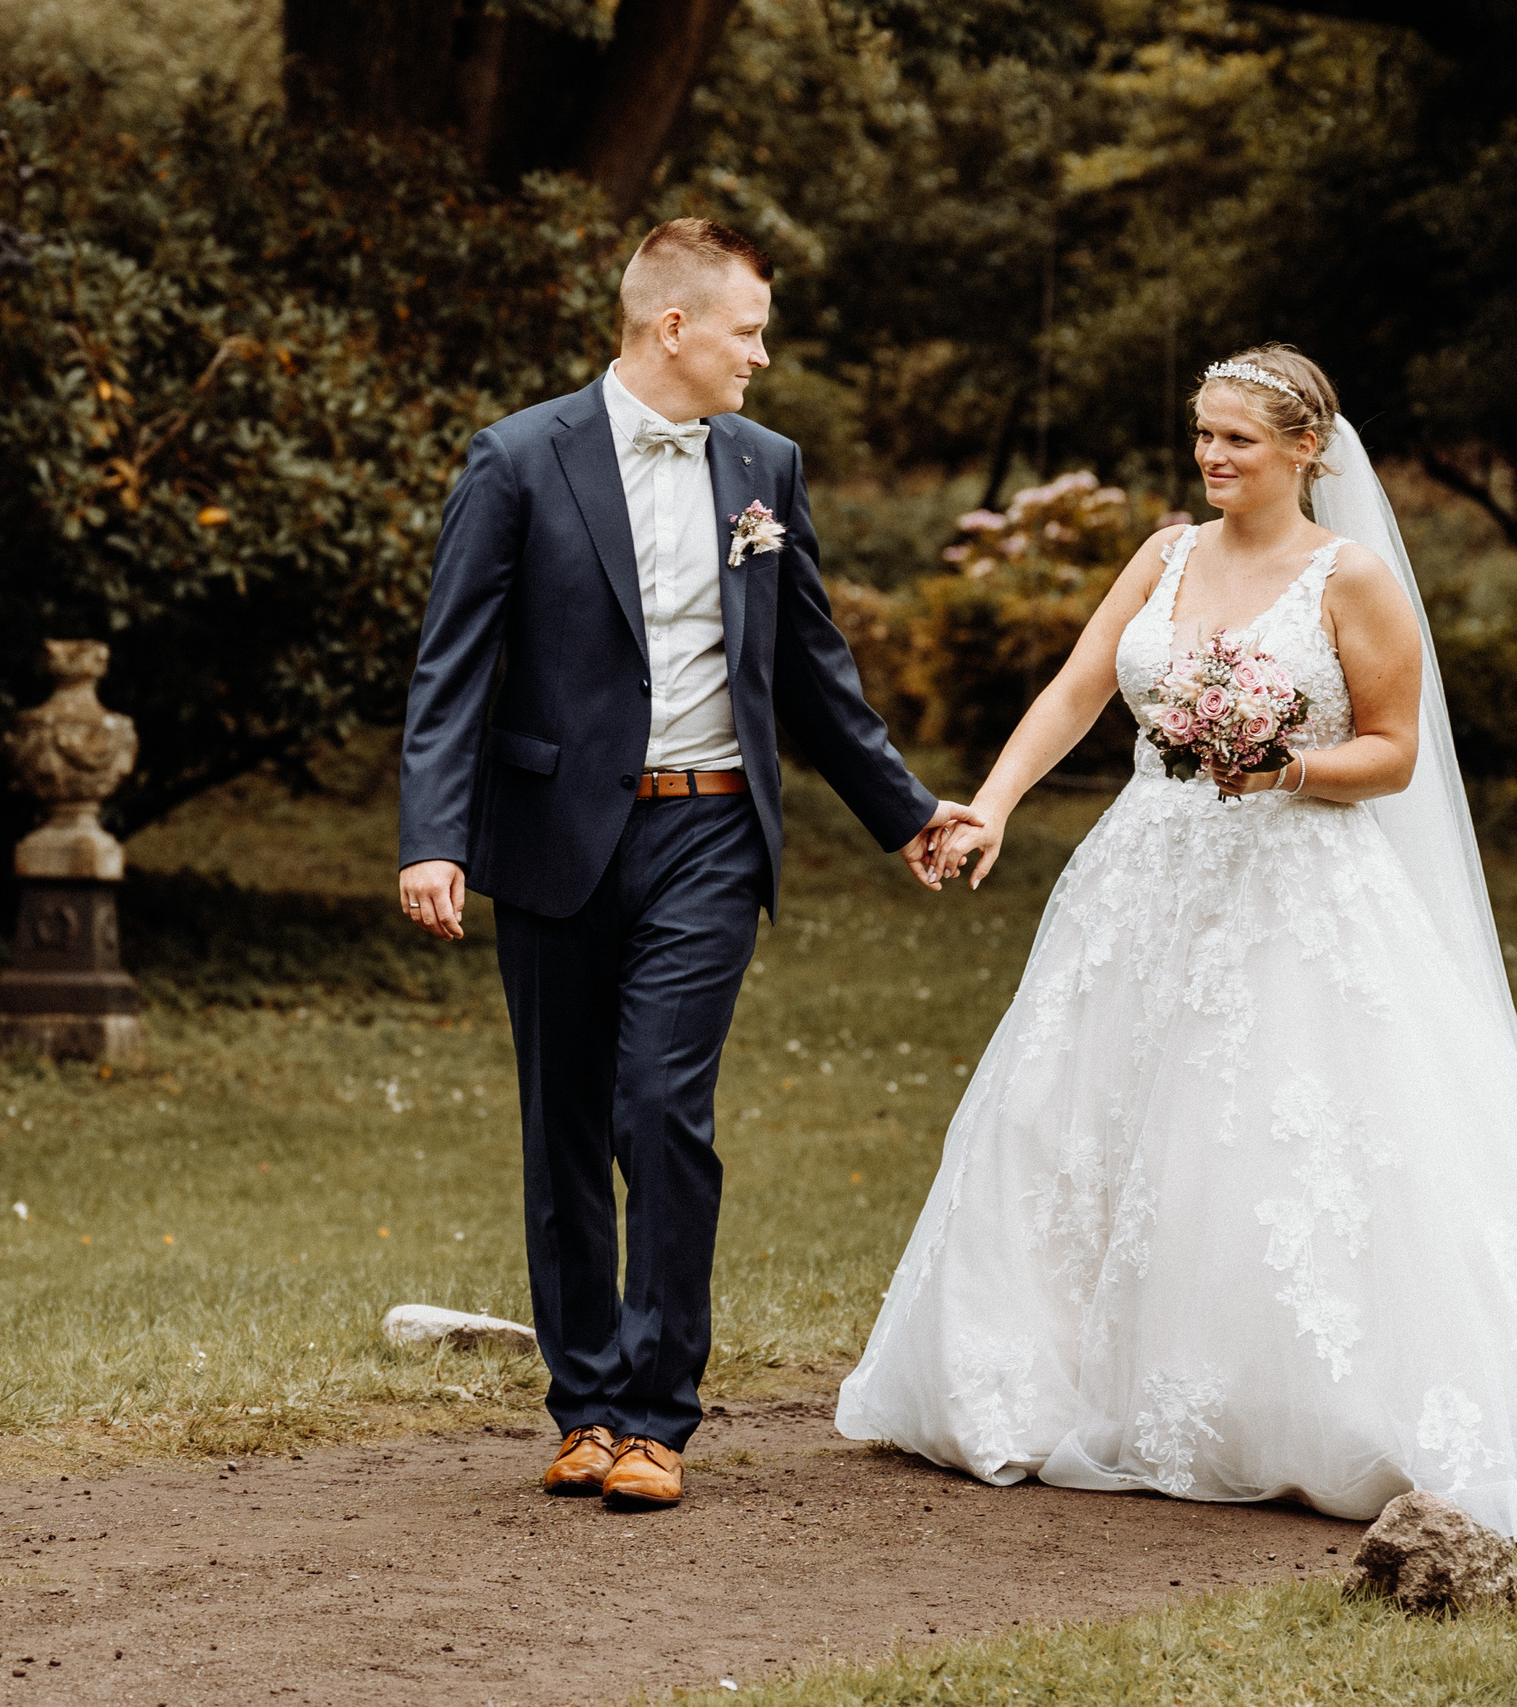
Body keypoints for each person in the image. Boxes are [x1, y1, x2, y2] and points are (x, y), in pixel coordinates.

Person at [835, 345, 1517, 1539]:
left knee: (1261, 1137)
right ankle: (1054, 1385)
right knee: (1070, 1118)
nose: (1211, 456)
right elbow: (1075, 690)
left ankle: (1285, 1404)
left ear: (1303, 449)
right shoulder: (1164, 555)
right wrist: (993, 806)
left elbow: (1393, 753)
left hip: (1289, 890)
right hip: (1141, 879)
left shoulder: (1351, 578)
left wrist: (1281, 766)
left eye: (1237, 439)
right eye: (1203, 434)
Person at [397, 218, 977, 1512]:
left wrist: (904, 812)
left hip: (709, 831)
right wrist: (434, 835)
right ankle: (586, 1407)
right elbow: (454, 664)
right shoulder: (518, 457)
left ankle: (659, 1418)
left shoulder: (765, 466)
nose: (761, 357)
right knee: (563, 1124)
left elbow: (811, 665)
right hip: (555, 837)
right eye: (747, 332)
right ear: (674, 327)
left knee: (661, 1107)